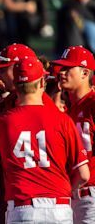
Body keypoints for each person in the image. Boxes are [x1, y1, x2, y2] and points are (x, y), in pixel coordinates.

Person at [0, 57, 90, 223]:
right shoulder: (62, 120)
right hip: (59, 208)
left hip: (23, 209)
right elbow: (83, 174)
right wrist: (70, 191)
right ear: (42, 83)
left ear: (15, 84)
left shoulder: (2, 123)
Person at [50, 45, 95, 223]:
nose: (62, 72)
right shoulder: (69, 110)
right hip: (73, 195)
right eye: (62, 67)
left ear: (85, 73)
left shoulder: (92, 104)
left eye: (68, 68)